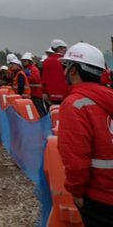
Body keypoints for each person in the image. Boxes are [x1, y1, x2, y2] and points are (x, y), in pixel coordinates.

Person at [57, 43, 113, 226]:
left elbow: (75, 158)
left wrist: (76, 192)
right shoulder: (108, 97)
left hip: (100, 197)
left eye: (65, 67)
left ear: (73, 70)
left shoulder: (74, 104)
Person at [44, 39, 71, 106]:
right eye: (65, 48)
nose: (66, 50)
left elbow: (44, 79)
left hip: (51, 95)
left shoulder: (46, 61)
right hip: (66, 94)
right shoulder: (66, 61)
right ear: (60, 48)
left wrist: (44, 92)